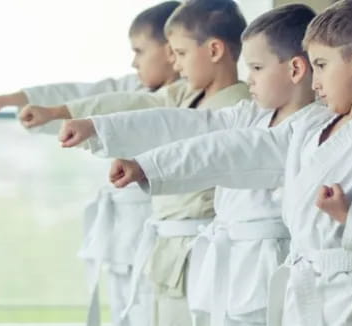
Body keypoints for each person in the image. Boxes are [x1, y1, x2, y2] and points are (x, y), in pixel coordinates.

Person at [64, 1, 352, 325]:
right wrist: (149, 165)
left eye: (319, 65)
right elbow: (232, 148)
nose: (313, 80)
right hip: (303, 289)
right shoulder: (309, 127)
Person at [58, 5, 317, 325]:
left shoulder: (310, 130)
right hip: (232, 270)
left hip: (269, 269)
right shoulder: (253, 114)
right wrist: (100, 128)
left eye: (257, 68)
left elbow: (222, 151)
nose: (248, 79)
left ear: (295, 70)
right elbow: (189, 125)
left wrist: (147, 166)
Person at [0, 3, 181, 326]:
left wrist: (61, 113)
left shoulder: (183, 101)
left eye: (140, 51)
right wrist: (8, 100)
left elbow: (95, 105)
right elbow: (81, 94)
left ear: (171, 51)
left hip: (158, 234)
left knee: (149, 310)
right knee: (124, 309)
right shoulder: (132, 87)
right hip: (122, 235)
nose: (133, 61)